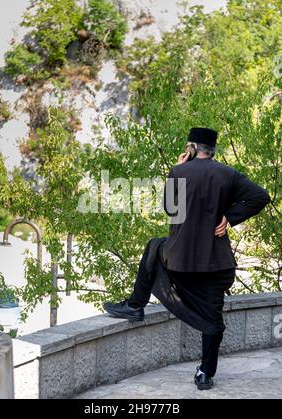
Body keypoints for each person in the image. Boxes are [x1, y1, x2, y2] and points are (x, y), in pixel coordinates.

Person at [103, 127, 271, 391]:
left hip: (181, 263)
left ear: (192, 148)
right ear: (211, 150)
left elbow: (171, 209)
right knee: (213, 318)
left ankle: (136, 305)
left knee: (154, 246)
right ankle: (205, 374)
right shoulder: (228, 174)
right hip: (217, 264)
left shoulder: (180, 171)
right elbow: (261, 196)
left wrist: (176, 172)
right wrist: (230, 216)